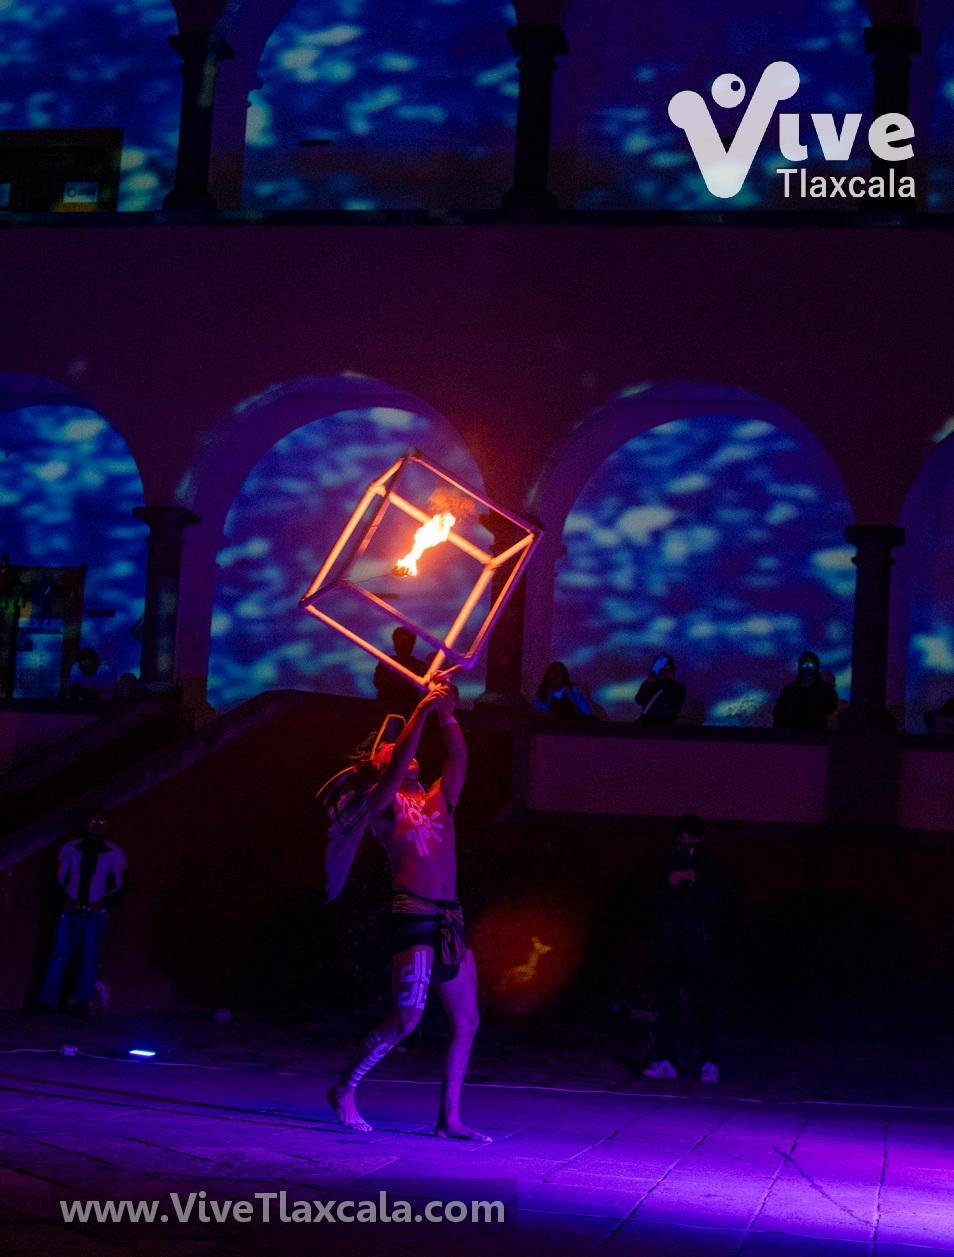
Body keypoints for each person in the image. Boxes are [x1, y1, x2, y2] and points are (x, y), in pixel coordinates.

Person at [325, 678, 490, 1141]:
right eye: (391, 749)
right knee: (406, 1019)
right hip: (415, 914)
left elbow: (460, 760)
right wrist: (422, 710)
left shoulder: (438, 797)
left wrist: (447, 714)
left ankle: (449, 1119)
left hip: (449, 917)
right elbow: (397, 762)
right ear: (379, 765)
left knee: (467, 1021)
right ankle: (345, 1087)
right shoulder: (381, 803)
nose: (404, 752)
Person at [643, 815, 729, 1084]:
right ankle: (666, 1060)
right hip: (671, 945)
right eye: (683, 837)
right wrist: (669, 884)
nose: (687, 842)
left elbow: (723, 903)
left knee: (704, 1006)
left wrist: (697, 883)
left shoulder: (711, 865)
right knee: (667, 1005)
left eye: (692, 837)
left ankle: (709, 1062)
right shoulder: (664, 862)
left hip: (700, 947)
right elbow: (651, 902)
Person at [36, 809, 127, 1015]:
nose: (97, 825)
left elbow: (121, 883)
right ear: (85, 823)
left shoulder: (114, 851)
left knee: (89, 958)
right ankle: (47, 1001)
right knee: (59, 955)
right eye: (93, 820)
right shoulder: (71, 847)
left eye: (101, 821)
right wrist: (67, 900)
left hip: (96, 911)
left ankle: (81, 1002)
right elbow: (58, 877)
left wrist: (102, 902)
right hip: (70, 908)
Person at [772, 651, 838, 731]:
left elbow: (831, 709)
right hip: (792, 733)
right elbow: (778, 712)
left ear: (817, 667)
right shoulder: (789, 690)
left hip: (816, 734)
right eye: (804, 664)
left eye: (811, 664)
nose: (808, 667)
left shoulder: (827, 690)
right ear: (799, 667)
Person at [372, 627, 429, 715]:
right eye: (398, 641)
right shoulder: (385, 662)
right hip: (386, 710)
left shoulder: (420, 666)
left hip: (410, 711)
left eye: (405, 641)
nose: (401, 645)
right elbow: (378, 683)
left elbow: (423, 690)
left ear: (412, 644)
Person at [634, 653, 686, 725]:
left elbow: (672, 707)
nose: (662, 671)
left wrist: (666, 681)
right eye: (658, 667)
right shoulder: (650, 683)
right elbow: (639, 700)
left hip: (666, 725)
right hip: (646, 724)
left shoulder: (678, 687)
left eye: (665, 668)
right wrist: (649, 684)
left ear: (671, 670)